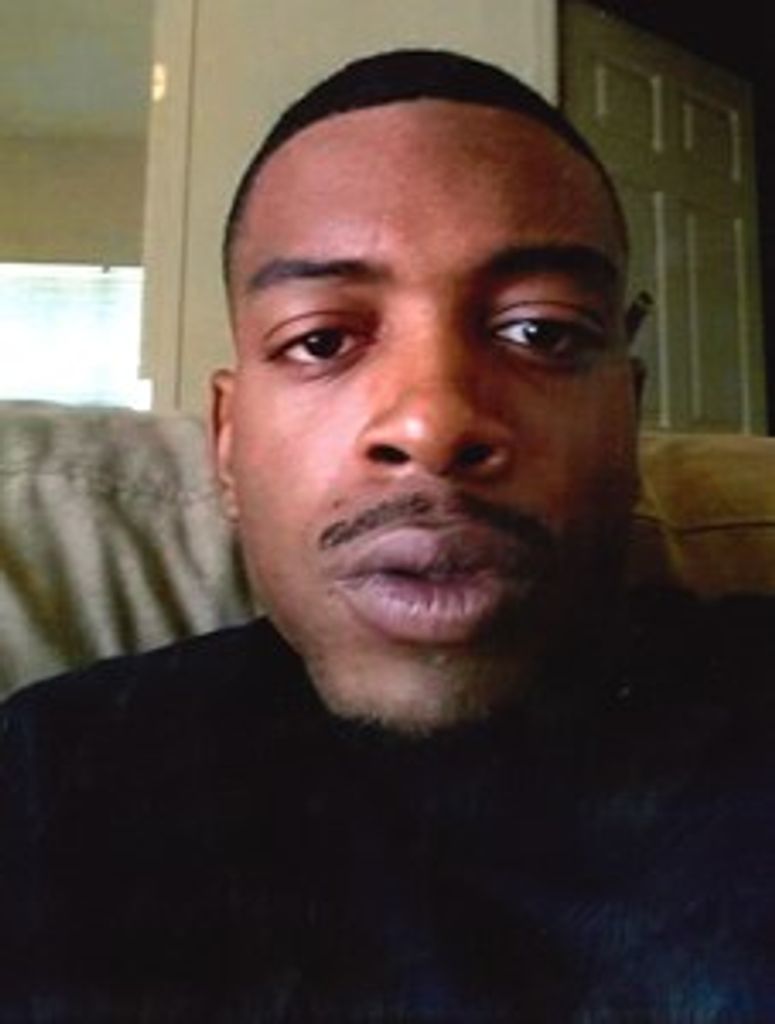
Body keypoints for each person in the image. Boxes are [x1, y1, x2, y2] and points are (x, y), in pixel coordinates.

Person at [2, 49, 775, 1023]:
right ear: (228, 441)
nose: (431, 424)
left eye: (541, 332)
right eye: (322, 340)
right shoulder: (47, 786)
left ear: (629, 413)